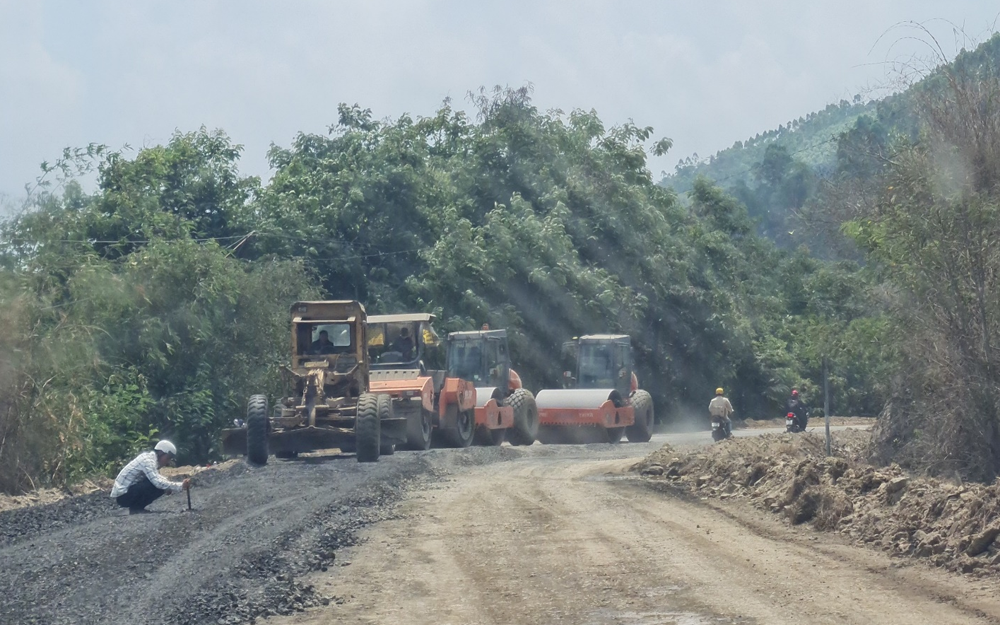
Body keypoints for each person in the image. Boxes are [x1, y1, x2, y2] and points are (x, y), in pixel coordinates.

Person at [110, 440, 190, 514]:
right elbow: (157, 482)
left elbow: (158, 478)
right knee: (154, 484)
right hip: (123, 496)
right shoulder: (147, 461)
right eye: (168, 458)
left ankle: (137, 508)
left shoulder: (150, 459)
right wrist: (180, 486)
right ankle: (136, 509)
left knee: (161, 484)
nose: (167, 462)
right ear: (161, 453)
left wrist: (168, 486)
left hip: (126, 493)